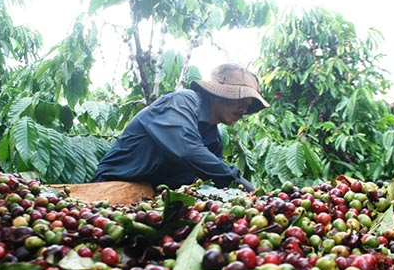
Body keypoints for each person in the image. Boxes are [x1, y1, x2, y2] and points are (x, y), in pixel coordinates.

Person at [90, 63, 270, 192]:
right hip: (110, 188)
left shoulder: (214, 139)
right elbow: (187, 150)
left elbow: (211, 179)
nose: (244, 110)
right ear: (219, 94)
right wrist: (246, 187)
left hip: (150, 198)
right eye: (242, 101)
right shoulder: (182, 101)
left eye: (248, 105)